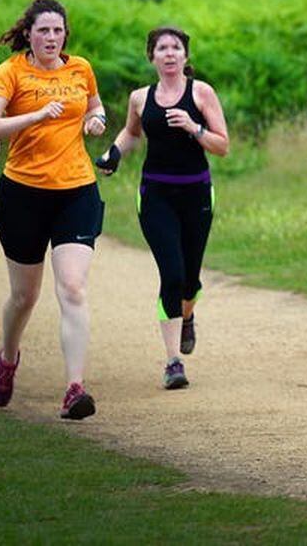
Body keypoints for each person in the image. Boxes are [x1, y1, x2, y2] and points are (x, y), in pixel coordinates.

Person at [0, 0, 109, 420]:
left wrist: (96, 121)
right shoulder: (11, 72)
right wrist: (32, 117)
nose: (52, 37)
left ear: (65, 33)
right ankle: (8, 357)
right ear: (29, 34)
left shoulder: (80, 68)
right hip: (23, 194)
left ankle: (74, 388)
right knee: (24, 296)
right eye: (44, 31)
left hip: (76, 190)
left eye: (58, 30)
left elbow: (94, 105)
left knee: (72, 287)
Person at [94, 26, 229, 390]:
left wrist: (194, 127)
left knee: (189, 280)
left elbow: (222, 145)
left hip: (197, 194)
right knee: (171, 274)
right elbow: (132, 133)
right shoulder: (140, 97)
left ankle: (187, 315)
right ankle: (173, 362)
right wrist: (115, 153)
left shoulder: (201, 93)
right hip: (155, 196)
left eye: (176, 48)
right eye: (162, 48)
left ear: (186, 56)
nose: (169, 54)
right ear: (151, 56)